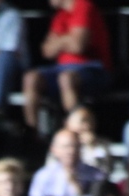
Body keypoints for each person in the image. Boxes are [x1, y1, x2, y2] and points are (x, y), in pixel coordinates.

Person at [21, 0, 112, 133]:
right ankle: (32, 133)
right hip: (61, 68)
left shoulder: (83, 6)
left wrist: (59, 41)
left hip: (92, 68)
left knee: (66, 78)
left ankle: (76, 132)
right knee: (31, 78)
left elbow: (78, 46)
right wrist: (68, 39)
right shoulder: (60, 16)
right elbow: (46, 51)